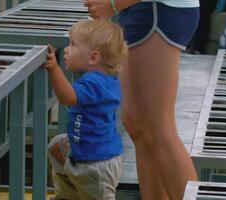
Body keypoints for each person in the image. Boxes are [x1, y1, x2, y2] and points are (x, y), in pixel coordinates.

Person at [85, 0, 200, 199]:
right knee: (137, 123)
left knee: (159, 127)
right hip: (140, 9)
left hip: (158, 9)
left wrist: (113, 4)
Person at [44, 19, 127, 200]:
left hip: (96, 165)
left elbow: (68, 97)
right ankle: (68, 195)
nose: (66, 49)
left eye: (73, 45)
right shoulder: (103, 80)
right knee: (56, 145)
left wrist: (54, 68)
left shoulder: (95, 82)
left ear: (93, 57)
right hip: (88, 153)